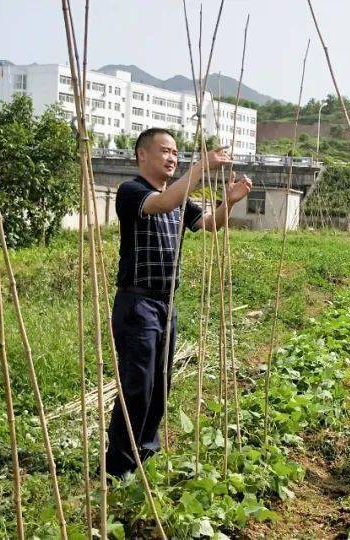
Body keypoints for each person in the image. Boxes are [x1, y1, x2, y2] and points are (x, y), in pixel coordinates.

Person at [105, 127, 252, 477]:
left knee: (159, 385)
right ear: (143, 155)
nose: (173, 157)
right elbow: (162, 203)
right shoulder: (132, 192)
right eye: (165, 151)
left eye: (176, 153)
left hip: (166, 305)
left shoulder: (178, 197)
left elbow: (208, 224)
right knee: (137, 386)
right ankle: (118, 467)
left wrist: (228, 202)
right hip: (137, 303)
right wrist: (201, 166)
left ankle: (147, 453)